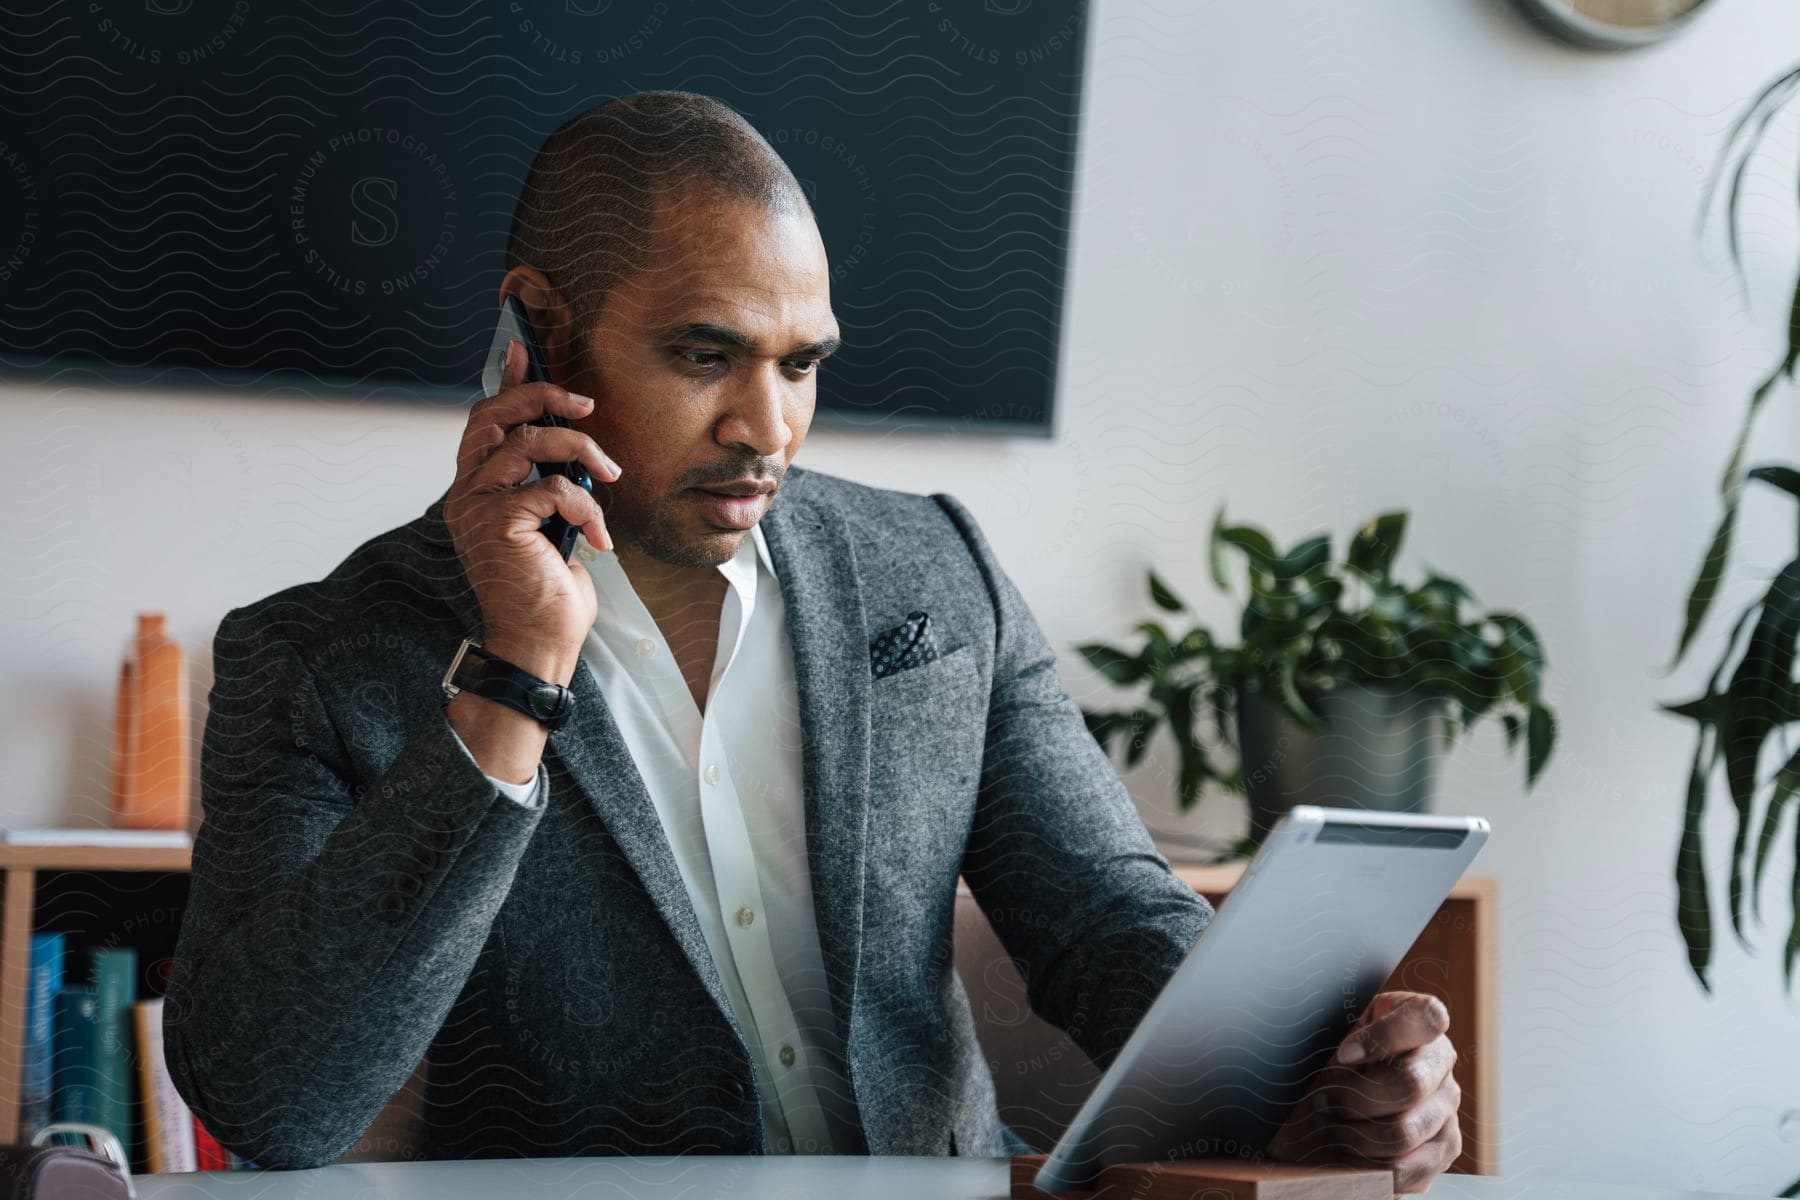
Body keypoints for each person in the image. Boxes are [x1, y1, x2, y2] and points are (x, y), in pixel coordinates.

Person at [163, 91, 1461, 1191]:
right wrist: (516, 669)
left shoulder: (937, 570)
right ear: (537, 334)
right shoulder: (320, 657)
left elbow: (1103, 920)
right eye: (706, 355)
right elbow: (274, 1102)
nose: (767, 429)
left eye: (800, 364)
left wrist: (1318, 1068)